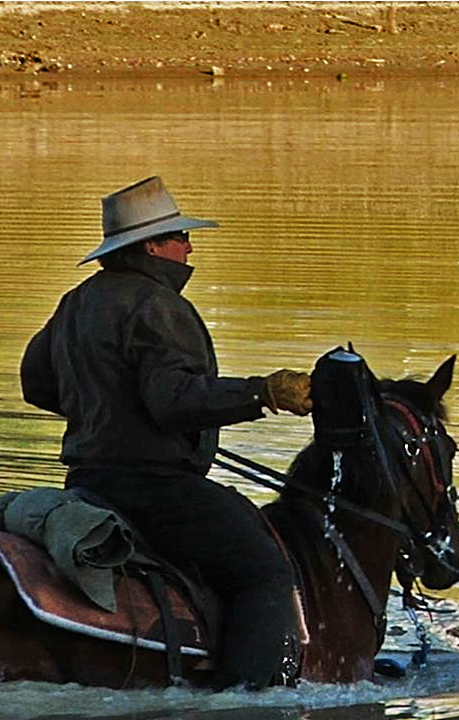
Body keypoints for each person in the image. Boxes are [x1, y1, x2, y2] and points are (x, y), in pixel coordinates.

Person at [20, 176, 313, 690]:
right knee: (264, 570)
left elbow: (37, 384)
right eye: (179, 237)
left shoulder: (76, 300)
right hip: (156, 490)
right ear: (152, 246)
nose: (189, 246)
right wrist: (261, 393)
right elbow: (175, 402)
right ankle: (249, 703)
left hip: (87, 483)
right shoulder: (158, 305)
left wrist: (104, 409)